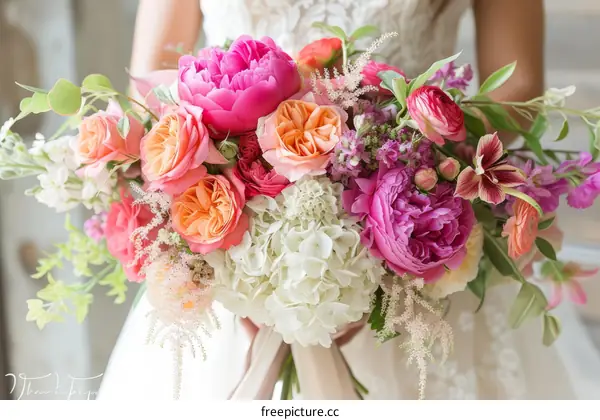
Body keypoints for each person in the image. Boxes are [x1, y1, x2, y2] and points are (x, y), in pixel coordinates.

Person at [96, 0, 600, 400]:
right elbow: (154, 69)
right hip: (225, 227)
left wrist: (399, 206)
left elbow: (519, 83)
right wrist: (239, 261)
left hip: (416, 233)